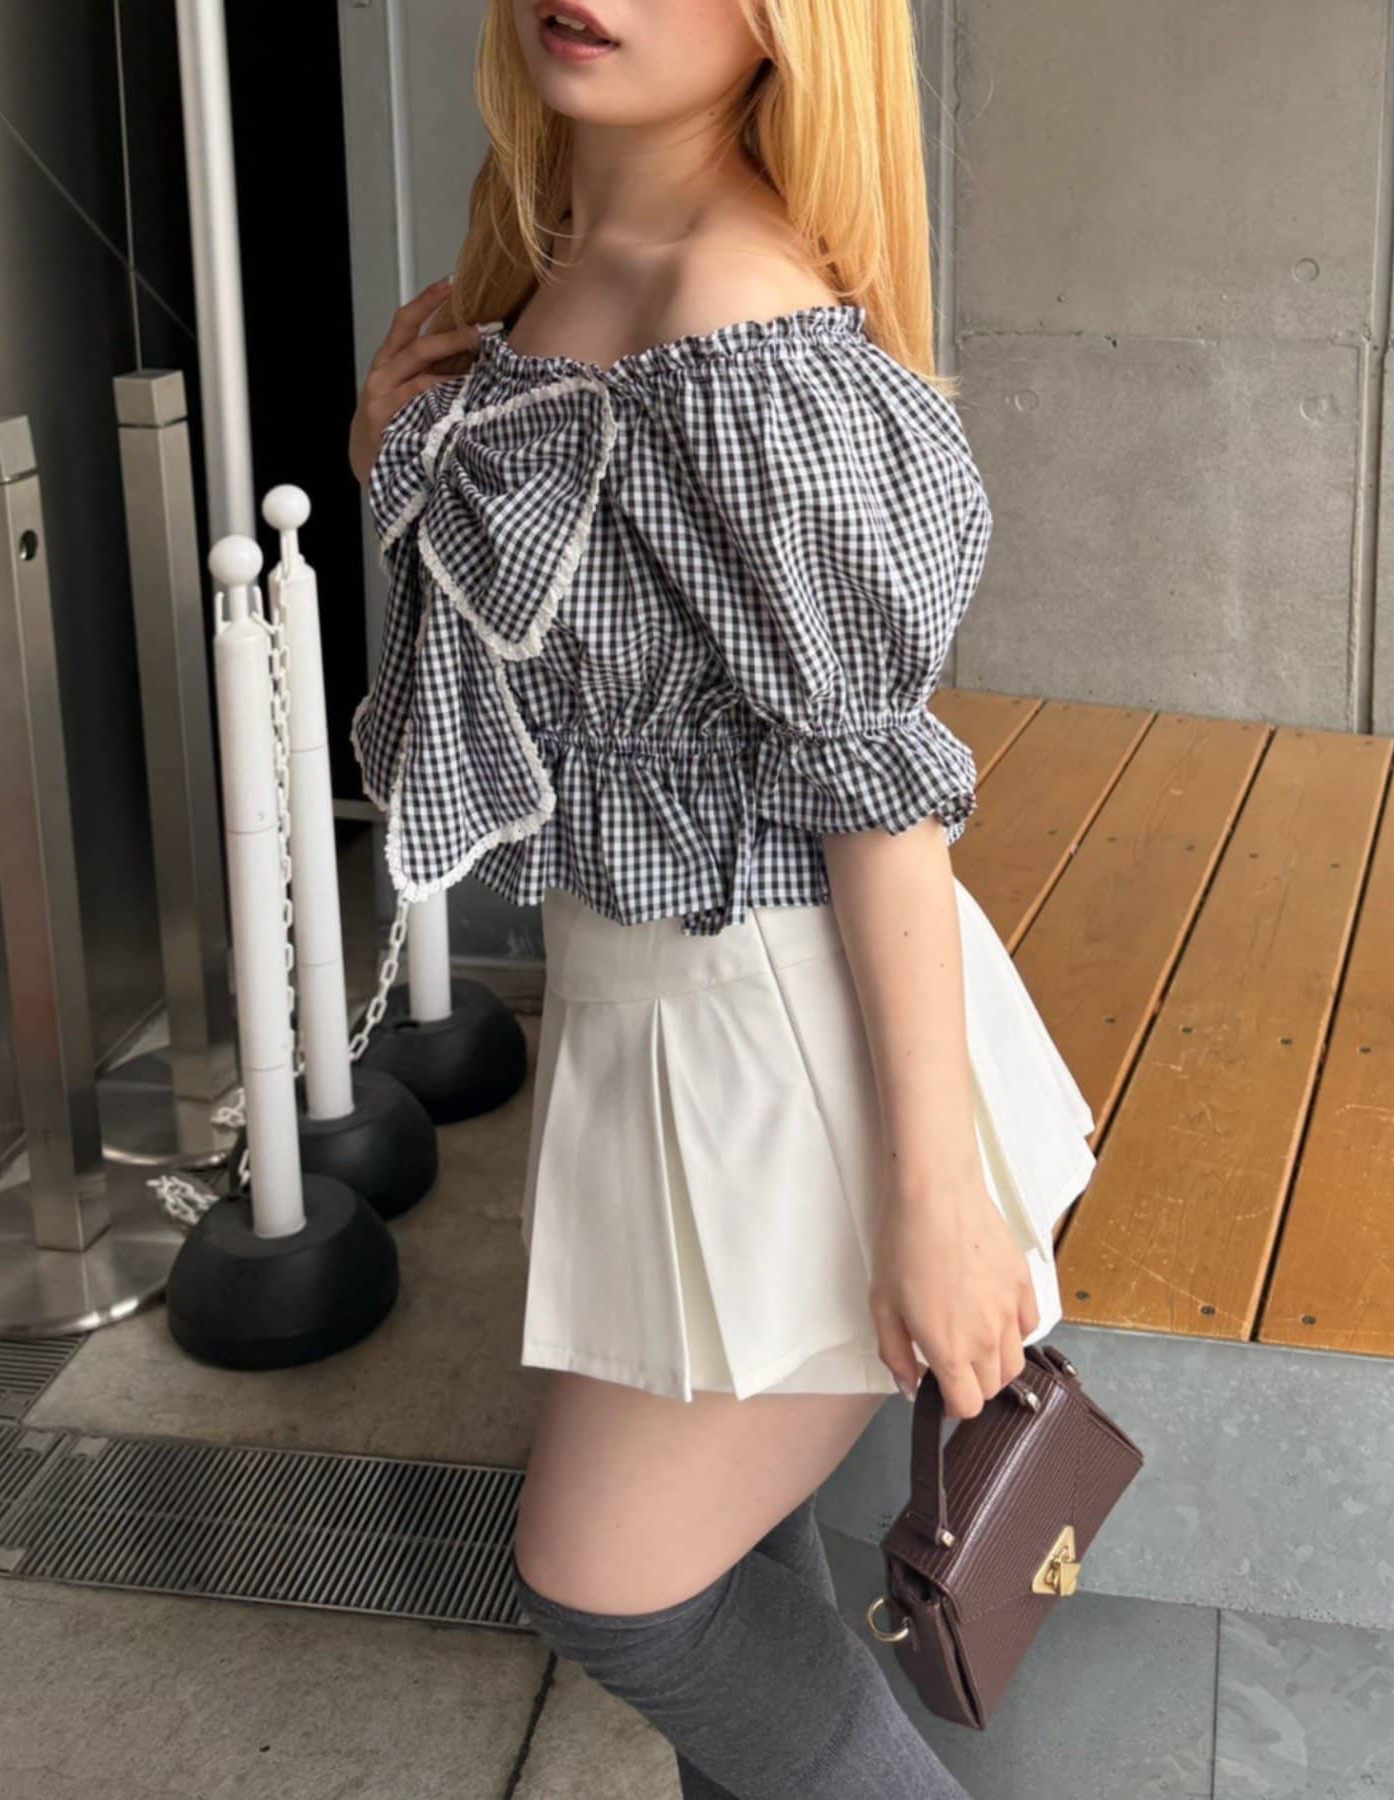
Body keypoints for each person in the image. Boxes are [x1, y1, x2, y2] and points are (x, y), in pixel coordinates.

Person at [347, 2, 1097, 1793]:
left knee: (611, 1584)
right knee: (735, 1559)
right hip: (657, 1027)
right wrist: (400, 462)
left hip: (779, 1041)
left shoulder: (730, 308)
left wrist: (936, 1198)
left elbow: (871, 782)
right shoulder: (557, 258)